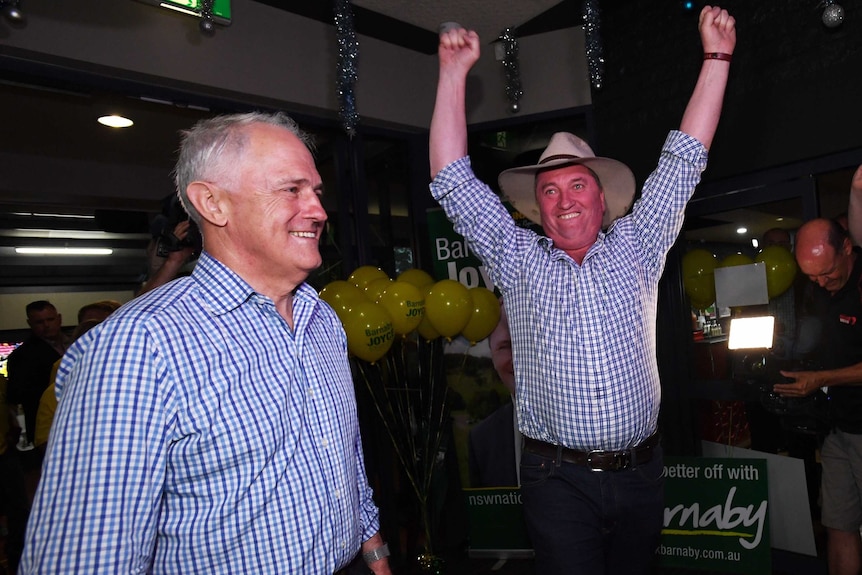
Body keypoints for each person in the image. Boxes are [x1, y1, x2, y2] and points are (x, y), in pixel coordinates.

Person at [429, 6, 735, 573]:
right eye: (549, 190)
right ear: (535, 207)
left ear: (601, 197)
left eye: (577, 184)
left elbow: (685, 158)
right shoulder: (514, 256)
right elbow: (451, 179)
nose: (564, 199)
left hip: (642, 473)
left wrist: (716, 58)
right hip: (557, 479)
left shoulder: (639, 244)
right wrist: (453, 75)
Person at [20, 112, 392, 574]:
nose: (317, 210)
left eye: (316, 191)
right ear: (213, 205)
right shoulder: (139, 346)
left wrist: (374, 552)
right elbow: (84, 559)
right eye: (290, 190)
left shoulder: (321, 320)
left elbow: (344, 458)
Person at [774, 218, 862, 575]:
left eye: (826, 273)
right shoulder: (818, 290)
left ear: (846, 248)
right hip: (836, 428)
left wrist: (821, 378)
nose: (821, 283)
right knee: (838, 524)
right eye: (811, 277)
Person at [468, 302, 522, 487]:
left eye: (526, 344)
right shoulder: (481, 439)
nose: (517, 359)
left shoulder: (585, 426)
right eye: (505, 347)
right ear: (491, 354)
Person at [6, 300, 69, 449]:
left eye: (50, 319)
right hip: (48, 426)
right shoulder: (22, 357)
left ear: (59, 318)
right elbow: (16, 396)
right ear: (30, 324)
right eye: (39, 322)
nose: (46, 325)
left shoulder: (76, 343)